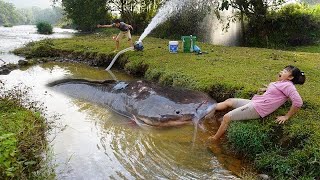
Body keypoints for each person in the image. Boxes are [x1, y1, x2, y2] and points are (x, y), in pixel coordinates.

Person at [207, 65, 306, 141]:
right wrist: (266, 89)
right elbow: (277, 91)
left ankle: (214, 139)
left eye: (284, 72)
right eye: (283, 70)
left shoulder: (289, 86)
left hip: (258, 109)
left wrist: (286, 116)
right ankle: (207, 109)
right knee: (229, 101)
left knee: (226, 117)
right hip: (255, 102)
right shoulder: (281, 82)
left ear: (290, 77)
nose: (281, 72)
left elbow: (298, 102)